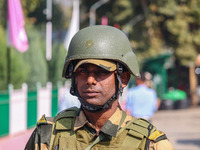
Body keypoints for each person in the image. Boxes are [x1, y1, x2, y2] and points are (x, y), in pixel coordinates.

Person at [25, 25, 174, 150]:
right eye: (82, 71)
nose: (90, 80)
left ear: (123, 78)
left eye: (102, 71)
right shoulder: (48, 136)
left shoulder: (150, 144)